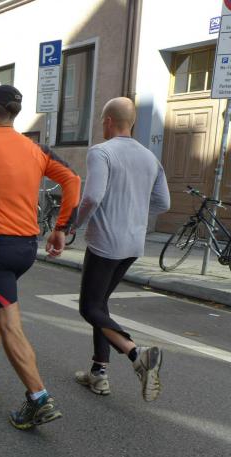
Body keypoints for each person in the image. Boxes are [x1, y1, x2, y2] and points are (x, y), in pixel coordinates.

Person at [0, 85, 81, 430]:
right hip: (27, 247)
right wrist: (61, 228)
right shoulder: (35, 149)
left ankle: (38, 398)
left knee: (9, 322)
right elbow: (72, 180)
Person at [73, 97, 170, 401]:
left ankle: (137, 353)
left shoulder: (101, 152)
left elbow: (92, 197)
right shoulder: (150, 158)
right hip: (133, 244)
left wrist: (72, 226)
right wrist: (134, 212)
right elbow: (163, 203)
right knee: (100, 305)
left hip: (105, 243)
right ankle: (99, 373)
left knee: (89, 308)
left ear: (108, 121)